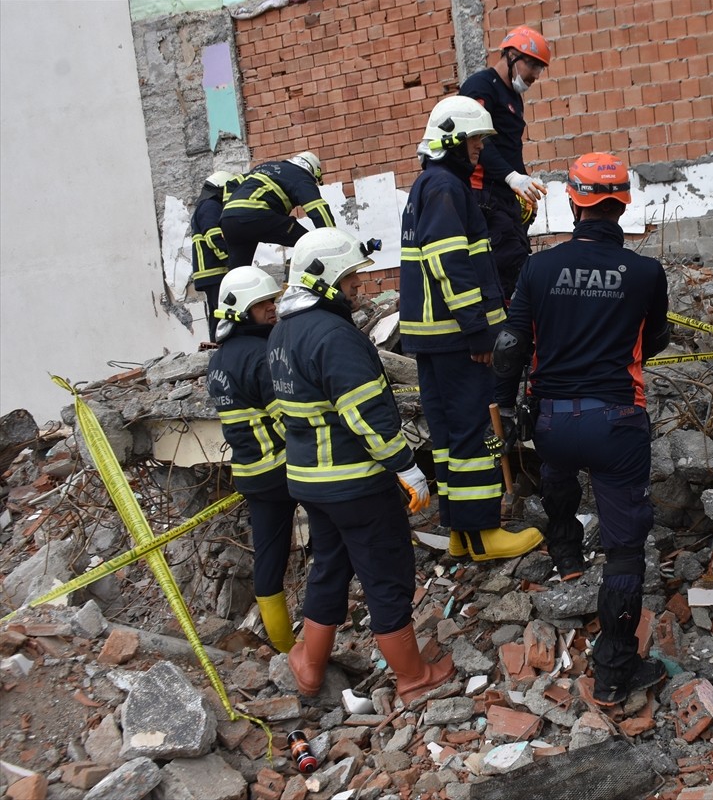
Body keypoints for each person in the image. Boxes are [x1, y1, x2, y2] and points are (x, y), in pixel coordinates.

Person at [493, 152, 671, 706]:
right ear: (622, 203)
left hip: (553, 418)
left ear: (574, 201)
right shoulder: (645, 273)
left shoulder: (538, 269)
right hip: (617, 420)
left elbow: (511, 345)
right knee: (624, 551)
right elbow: (657, 339)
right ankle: (615, 670)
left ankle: (567, 557)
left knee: (557, 474)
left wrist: (504, 402)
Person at [269, 227, 454, 702]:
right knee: (386, 572)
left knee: (330, 567)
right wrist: (405, 465)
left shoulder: (281, 332)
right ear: (327, 278)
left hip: (310, 481)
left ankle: (309, 669)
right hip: (355, 483)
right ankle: (414, 678)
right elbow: (365, 413)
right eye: (351, 277)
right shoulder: (334, 336)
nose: (358, 287)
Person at [395, 95, 541, 562]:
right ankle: (483, 533)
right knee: (475, 434)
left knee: (450, 436)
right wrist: (477, 331)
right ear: (454, 141)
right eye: (475, 139)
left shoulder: (429, 186)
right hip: (458, 339)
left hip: (435, 339)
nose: (480, 147)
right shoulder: (445, 188)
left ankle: (460, 530)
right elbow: (451, 263)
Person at [206, 266, 297, 652]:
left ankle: (285, 648)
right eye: (262, 304)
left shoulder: (219, 361)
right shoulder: (261, 356)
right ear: (243, 310)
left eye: (272, 301)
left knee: (269, 561)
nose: (272, 309)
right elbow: (288, 416)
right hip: (284, 468)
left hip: (252, 474)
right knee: (338, 536)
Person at [460, 25, 551, 298]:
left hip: (502, 196)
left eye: (540, 69)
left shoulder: (512, 95)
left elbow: (509, 149)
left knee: (517, 259)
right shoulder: (480, 87)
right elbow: (478, 142)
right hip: (483, 195)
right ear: (511, 56)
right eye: (533, 66)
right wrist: (513, 178)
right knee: (508, 264)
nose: (535, 75)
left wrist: (524, 187)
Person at [221, 151, 334, 268]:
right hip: (255, 216)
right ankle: (302, 276)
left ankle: (235, 285)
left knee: (239, 271)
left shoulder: (267, 167)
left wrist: (227, 210)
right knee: (307, 242)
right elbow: (318, 209)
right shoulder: (300, 176)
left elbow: (231, 183)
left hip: (228, 221)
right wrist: (333, 237)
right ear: (313, 171)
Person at [191, 170, 241, 341]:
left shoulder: (205, 206)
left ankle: (217, 345)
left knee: (217, 313)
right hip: (214, 270)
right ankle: (225, 345)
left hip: (210, 272)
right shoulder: (211, 206)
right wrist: (230, 261)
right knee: (224, 310)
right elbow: (213, 237)